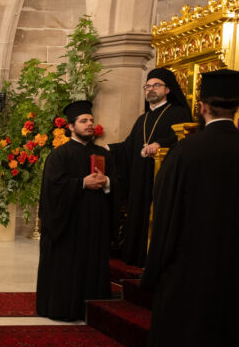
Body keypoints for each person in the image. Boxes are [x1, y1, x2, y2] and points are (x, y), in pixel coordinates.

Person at [142, 69, 239, 347]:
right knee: (224, 319)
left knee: (187, 320)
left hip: (188, 261)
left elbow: (165, 209)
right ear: (237, 108)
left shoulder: (186, 151)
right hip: (234, 263)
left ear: (202, 107)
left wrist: (157, 262)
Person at [35, 100, 114, 322]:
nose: (89, 124)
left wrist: (106, 181)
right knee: (68, 268)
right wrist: (81, 183)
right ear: (71, 127)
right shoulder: (59, 155)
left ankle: (95, 312)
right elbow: (53, 188)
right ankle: (64, 309)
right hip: (69, 226)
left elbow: (118, 182)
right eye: (83, 121)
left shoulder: (103, 153)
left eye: (91, 120)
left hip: (95, 224)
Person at [110, 68, 192, 267]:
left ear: (168, 89)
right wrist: (108, 148)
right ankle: (135, 255)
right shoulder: (143, 119)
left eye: (156, 85)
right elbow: (129, 146)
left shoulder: (179, 113)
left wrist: (160, 145)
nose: (150, 89)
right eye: (147, 86)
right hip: (140, 177)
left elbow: (184, 140)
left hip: (162, 177)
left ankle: (154, 258)